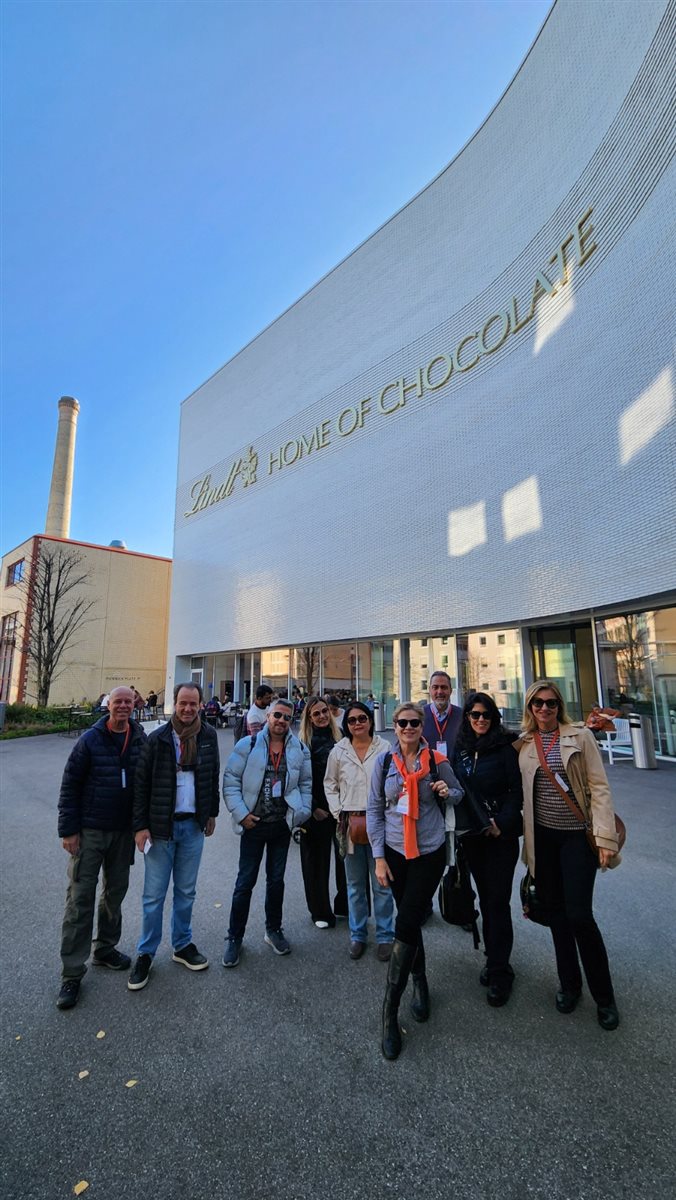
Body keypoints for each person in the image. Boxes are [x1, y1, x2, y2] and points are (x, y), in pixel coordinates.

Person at [516, 680, 621, 1031]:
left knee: (579, 915)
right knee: (556, 915)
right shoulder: (525, 745)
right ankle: (570, 984)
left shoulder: (580, 737)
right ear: (529, 708)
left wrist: (605, 837)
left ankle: (604, 996)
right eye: (537, 704)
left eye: (550, 703)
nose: (544, 709)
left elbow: (599, 787)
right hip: (542, 839)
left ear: (559, 706)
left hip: (577, 838)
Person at [368, 701, 462, 1060]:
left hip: (429, 851)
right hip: (394, 851)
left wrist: (444, 791)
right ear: (394, 726)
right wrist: (378, 858)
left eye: (414, 723)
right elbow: (375, 809)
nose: (408, 728)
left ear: (422, 726)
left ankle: (389, 1012)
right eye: (402, 723)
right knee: (410, 922)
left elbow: (458, 793)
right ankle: (420, 981)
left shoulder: (436, 761)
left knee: (407, 919)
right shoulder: (384, 763)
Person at [56, 687, 146, 1009]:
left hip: (122, 833)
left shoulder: (139, 739)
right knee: (80, 899)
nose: (123, 706)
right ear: (108, 705)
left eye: (128, 701)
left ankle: (105, 948)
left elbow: (145, 784)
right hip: (90, 831)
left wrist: (142, 825)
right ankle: (71, 973)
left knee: (115, 893)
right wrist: (68, 830)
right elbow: (70, 784)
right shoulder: (90, 741)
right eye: (117, 701)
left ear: (135, 705)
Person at [128, 682, 220, 991]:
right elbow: (141, 786)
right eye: (183, 703)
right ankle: (145, 953)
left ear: (200, 705)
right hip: (160, 829)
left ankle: (182, 945)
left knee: (186, 892)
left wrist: (211, 813)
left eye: (193, 704)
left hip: (192, 828)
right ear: (175, 704)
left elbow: (212, 776)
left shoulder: (207, 736)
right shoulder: (157, 740)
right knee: (153, 896)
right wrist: (140, 827)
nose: (188, 709)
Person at [222, 697, 312, 965]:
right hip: (253, 824)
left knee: (276, 882)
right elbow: (230, 782)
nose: (282, 721)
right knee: (244, 883)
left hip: (280, 826)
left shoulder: (299, 749)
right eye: (277, 716)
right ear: (268, 717)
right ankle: (234, 937)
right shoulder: (247, 745)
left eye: (287, 717)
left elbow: (306, 783)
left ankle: (273, 930)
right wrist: (241, 814)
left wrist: (300, 812)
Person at [452, 692, 522, 1007]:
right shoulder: (461, 749)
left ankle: (499, 971)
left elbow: (516, 792)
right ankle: (494, 959)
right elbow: (455, 788)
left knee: (497, 902)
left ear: (494, 717)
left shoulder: (505, 748)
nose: (481, 720)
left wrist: (502, 823)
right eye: (475, 715)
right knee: (484, 897)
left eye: (486, 715)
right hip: (472, 837)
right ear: (467, 717)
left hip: (499, 838)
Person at [324, 702, 394, 961]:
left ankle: (386, 935)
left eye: (362, 718)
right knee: (354, 885)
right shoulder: (339, 751)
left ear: (370, 720)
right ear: (347, 725)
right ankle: (358, 934)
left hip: (380, 823)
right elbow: (329, 784)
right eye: (352, 720)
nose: (357, 724)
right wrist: (337, 811)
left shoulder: (385, 748)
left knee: (382, 883)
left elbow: (394, 780)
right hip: (349, 822)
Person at [298, 696, 348, 928]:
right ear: (309, 718)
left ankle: (346, 905)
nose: (322, 716)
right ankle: (319, 911)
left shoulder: (341, 739)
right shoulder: (303, 744)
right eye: (316, 713)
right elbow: (299, 781)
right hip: (315, 810)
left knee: (345, 859)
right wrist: (313, 807)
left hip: (340, 809)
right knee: (315, 863)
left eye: (325, 711)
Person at [423, 670, 462, 759]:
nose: (439, 691)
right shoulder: (419, 716)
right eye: (435, 687)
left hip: (455, 771)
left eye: (444, 687)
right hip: (428, 770)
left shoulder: (462, 716)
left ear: (450, 691)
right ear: (429, 690)